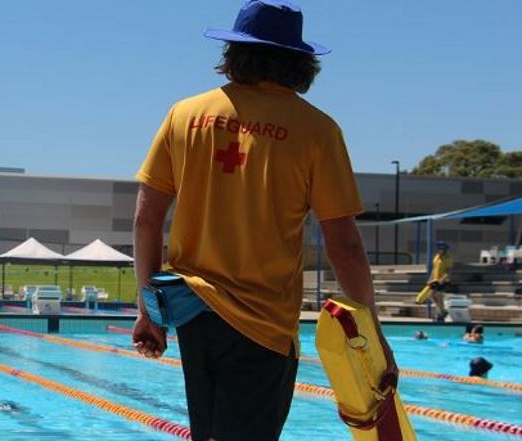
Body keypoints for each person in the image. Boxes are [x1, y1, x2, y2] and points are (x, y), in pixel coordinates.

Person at [131, 1, 397, 439]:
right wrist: (372, 333)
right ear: (300, 61)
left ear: (234, 52)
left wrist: (148, 311)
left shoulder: (185, 114)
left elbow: (146, 219)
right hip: (264, 322)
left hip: (193, 311)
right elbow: (343, 244)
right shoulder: (316, 130)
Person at [424, 241, 453, 321]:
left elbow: (448, 271)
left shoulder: (448, 258)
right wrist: (430, 279)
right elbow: (434, 269)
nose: (440, 250)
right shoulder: (436, 257)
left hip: (443, 280)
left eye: (442, 249)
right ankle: (442, 312)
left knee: (438, 297)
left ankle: (440, 314)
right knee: (430, 296)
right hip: (435, 280)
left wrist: (442, 279)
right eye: (439, 249)